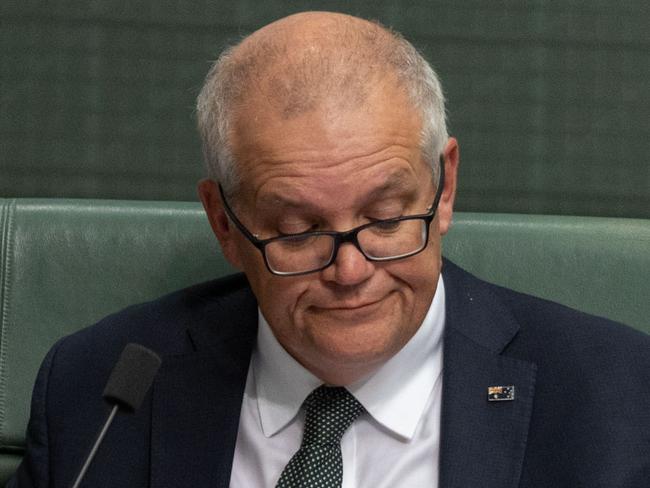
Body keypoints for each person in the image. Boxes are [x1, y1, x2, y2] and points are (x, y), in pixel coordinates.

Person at [10, 11, 650, 488]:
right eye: (298, 230)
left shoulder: (618, 398)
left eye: (387, 218)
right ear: (225, 224)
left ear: (445, 187)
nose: (351, 271)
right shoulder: (100, 390)